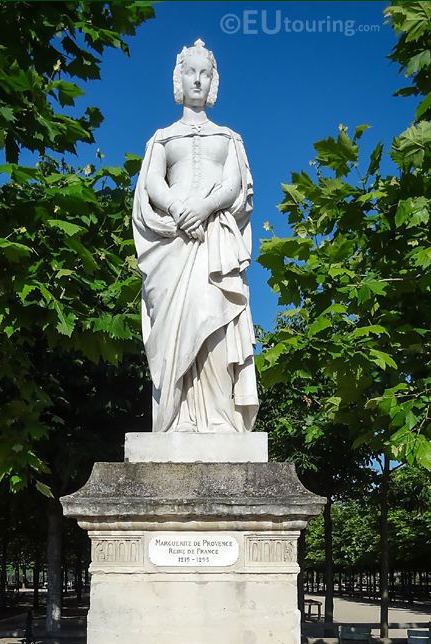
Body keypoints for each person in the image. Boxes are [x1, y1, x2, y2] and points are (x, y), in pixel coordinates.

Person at [133, 39, 259, 434]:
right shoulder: (162, 138)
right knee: (175, 326)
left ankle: (220, 419)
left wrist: (203, 210)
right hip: (173, 245)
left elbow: (233, 184)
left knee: (216, 321)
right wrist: (176, 209)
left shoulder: (229, 138)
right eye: (191, 72)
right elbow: (152, 181)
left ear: (213, 81)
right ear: (179, 78)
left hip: (213, 243)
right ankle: (178, 419)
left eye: (206, 73)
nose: (198, 80)